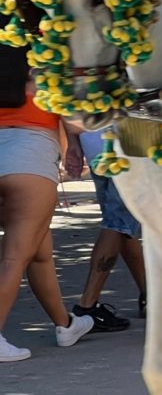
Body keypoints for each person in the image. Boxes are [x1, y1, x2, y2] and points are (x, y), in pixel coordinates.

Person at [0, 46, 93, 362]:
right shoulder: (48, 60)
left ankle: (65, 325)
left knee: (39, 253)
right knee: (15, 257)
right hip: (30, 157)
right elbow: (77, 119)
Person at [63, 129, 146, 331]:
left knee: (120, 224)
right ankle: (86, 305)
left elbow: (68, 104)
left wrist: (73, 141)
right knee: (117, 224)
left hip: (95, 144)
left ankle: (150, 295)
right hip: (128, 145)